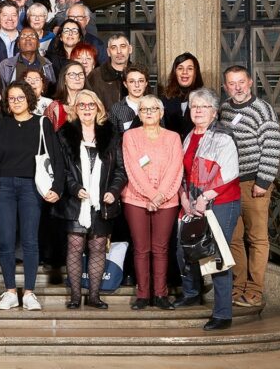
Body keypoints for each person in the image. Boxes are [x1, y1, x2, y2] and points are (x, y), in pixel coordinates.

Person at [0, 82, 64, 311]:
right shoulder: (1, 125)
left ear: (29, 99)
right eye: (11, 98)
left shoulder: (42, 123)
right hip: (4, 188)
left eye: (20, 97)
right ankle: (10, 292)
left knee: (30, 241)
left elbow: (56, 158)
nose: (16, 102)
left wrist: (57, 188)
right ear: (7, 102)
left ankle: (29, 292)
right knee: (6, 241)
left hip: (31, 188)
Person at [174, 88, 241, 332]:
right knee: (184, 248)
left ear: (215, 112)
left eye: (204, 107)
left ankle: (223, 314)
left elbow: (229, 172)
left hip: (221, 202)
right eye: (194, 106)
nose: (198, 110)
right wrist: (183, 196)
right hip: (190, 202)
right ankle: (192, 292)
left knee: (216, 255)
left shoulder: (223, 135)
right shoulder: (189, 136)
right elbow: (182, 171)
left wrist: (204, 198)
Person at [53, 89, 127, 310]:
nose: (86, 109)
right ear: (75, 109)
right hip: (75, 202)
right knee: (75, 246)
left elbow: (121, 170)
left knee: (97, 247)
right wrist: (75, 188)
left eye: (91, 105)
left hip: (102, 202)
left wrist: (113, 191)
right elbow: (61, 170)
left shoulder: (111, 134)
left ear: (99, 108)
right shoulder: (64, 133)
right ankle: (76, 297)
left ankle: (94, 296)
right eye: (82, 105)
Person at [220, 65, 280, 309]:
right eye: (232, 83)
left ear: (249, 83)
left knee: (257, 238)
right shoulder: (224, 109)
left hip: (253, 182)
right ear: (226, 86)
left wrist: (263, 182)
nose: (237, 88)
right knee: (233, 237)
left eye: (241, 82)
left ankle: (255, 291)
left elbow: (273, 146)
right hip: (229, 184)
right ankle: (238, 285)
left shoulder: (262, 109)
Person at [121, 94, 183, 310]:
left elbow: (176, 167)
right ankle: (143, 295)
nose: (149, 112)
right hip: (136, 199)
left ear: (162, 112)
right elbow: (132, 169)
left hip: (166, 200)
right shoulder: (130, 136)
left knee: (161, 248)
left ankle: (160, 294)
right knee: (141, 248)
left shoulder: (173, 137)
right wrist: (150, 195)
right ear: (138, 113)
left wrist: (160, 196)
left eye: (153, 108)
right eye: (144, 109)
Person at [160, 53, 205, 138]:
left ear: (196, 72)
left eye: (190, 69)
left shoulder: (205, 98)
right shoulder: (165, 98)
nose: (185, 72)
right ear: (175, 72)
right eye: (180, 68)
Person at [86, 34, 133, 111]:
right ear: (108, 52)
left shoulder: (139, 74)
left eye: (123, 46)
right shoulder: (96, 75)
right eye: (114, 48)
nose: (119, 51)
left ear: (130, 49)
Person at [45, 60, 87, 130]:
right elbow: (47, 135)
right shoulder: (54, 107)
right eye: (72, 75)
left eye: (80, 74)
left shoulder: (93, 103)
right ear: (64, 80)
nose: (77, 78)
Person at [108, 65, 150, 133]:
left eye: (141, 81)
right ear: (125, 84)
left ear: (146, 83)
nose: (137, 85)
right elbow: (113, 140)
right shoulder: (116, 109)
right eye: (132, 81)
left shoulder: (155, 106)